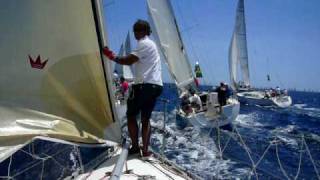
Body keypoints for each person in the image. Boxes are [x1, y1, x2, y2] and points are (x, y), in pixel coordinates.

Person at [103, 19, 163, 158]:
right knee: (145, 119)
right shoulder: (151, 44)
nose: (135, 33)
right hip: (156, 85)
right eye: (135, 30)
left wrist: (110, 55)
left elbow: (128, 60)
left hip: (144, 85)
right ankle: (146, 151)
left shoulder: (143, 43)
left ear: (143, 31)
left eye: (137, 30)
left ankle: (135, 147)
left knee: (131, 116)